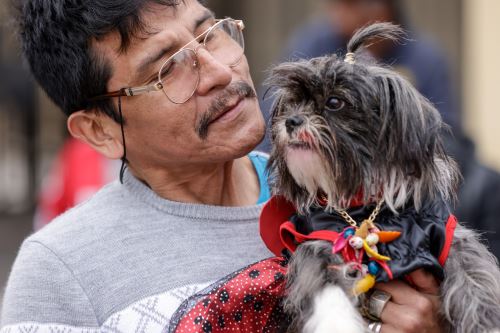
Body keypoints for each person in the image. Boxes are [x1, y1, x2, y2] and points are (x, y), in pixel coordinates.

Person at [1, 0, 445, 332]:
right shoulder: (60, 273)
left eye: (211, 32)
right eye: (169, 67)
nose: (218, 70)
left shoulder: (355, 198)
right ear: (100, 130)